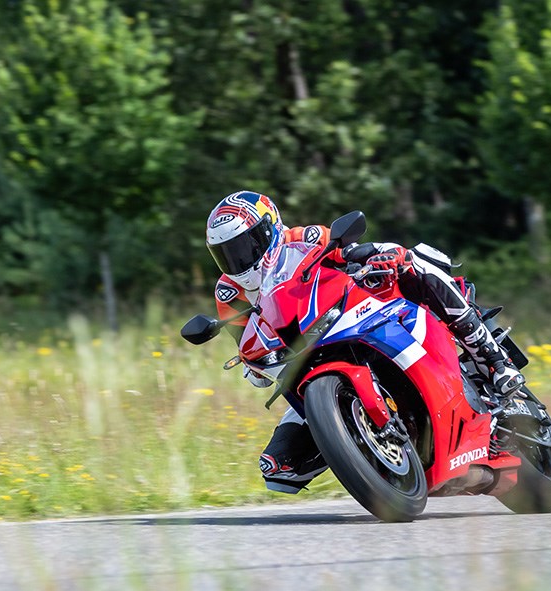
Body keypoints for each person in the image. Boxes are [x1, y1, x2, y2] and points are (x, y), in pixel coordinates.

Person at [205, 190, 524, 494]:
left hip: (351, 312)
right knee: (279, 466)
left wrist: (379, 256)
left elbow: (350, 252)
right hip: (305, 359)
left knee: (414, 260)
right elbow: (246, 338)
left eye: (245, 246)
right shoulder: (228, 293)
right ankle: (363, 447)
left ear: (270, 228)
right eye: (227, 254)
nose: (238, 260)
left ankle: (493, 359)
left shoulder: (304, 238)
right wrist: (254, 364)